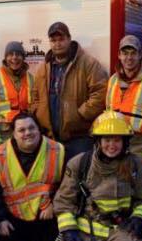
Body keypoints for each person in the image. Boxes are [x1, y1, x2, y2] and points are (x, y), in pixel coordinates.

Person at [54, 110, 142, 241]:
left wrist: (139, 218)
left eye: (117, 140)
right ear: (98, 141)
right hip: (87, 229)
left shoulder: (136, 164)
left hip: (121, 227)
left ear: (125, 142)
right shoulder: (80, 164)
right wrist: (69, 231)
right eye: (107, 140)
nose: (111, 145)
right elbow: (64, 202)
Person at [0, 112, 65, 241]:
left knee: (62, 220)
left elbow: (67, 185)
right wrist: (1, 219)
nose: (27, 133)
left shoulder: (57, 150)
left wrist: (54, 205)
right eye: (21, 130)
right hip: (14, 215)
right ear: (13, 135)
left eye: (31, 128)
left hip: (46, 214)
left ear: (39, 130)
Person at [32, 21, 108, 162]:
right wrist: (39, 114)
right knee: (55, 179)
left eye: (61, 39)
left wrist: (79, 115)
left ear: (69, 39)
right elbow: (35, 96)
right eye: (53, 40)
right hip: (50, 139)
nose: (57, 44)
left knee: (79, 177)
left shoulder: (88, 63)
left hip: (79, 138)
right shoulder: (43, 68)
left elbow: (100, 92)